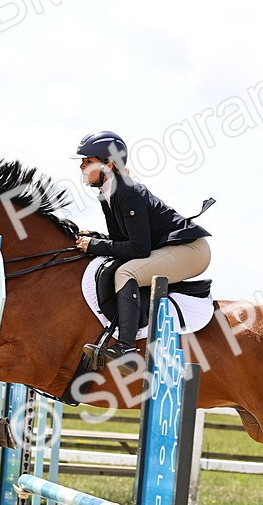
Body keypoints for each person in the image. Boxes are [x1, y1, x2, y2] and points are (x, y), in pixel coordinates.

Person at [73, 130, 212, 375]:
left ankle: (126, 349)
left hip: (191, 251)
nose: (82, 166)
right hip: (172, 248)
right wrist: (96, 238)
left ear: (109, 165)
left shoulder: (126, 192)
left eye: (88, 160)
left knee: (126, 273)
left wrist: (94, 245)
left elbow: (138, 248)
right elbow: (121, 241)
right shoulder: (108, 194)